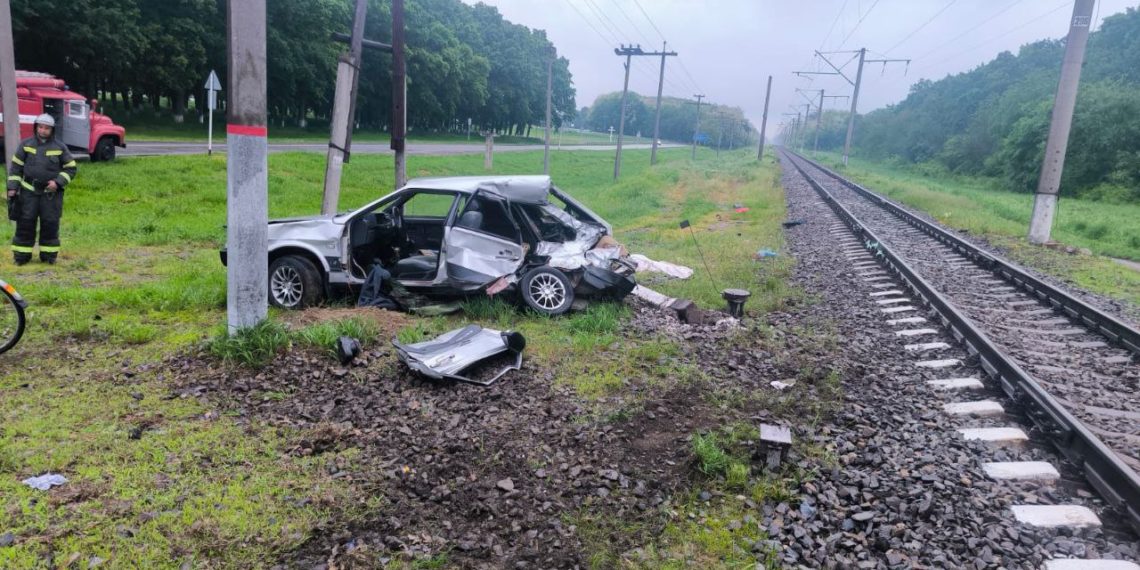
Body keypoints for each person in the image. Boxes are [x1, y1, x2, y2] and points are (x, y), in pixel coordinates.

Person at [6, 114, 77, 265]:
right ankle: (21, 256)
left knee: (50, 223)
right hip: (28, 192)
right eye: (40, 127)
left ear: (52, 130)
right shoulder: (25, 144)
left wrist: (57, 183)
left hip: (50, 194)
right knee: (25, 223)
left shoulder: (60, 147)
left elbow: (71, 168)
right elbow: (16, 168)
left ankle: (48, 256)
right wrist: (12, 188)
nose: (43, 130)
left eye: (46, 128)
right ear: (36, 127)